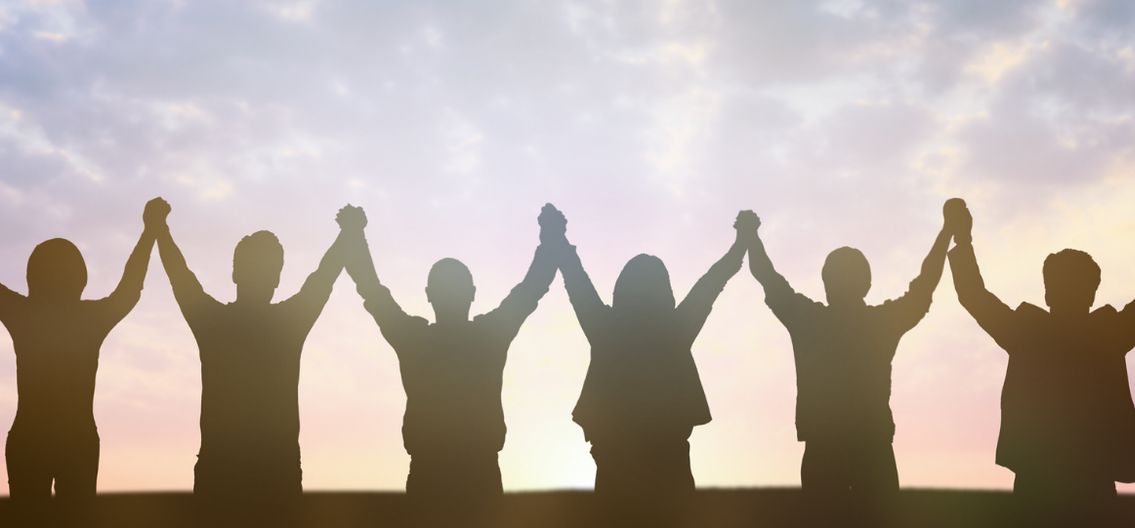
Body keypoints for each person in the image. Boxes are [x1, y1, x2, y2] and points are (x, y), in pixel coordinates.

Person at [951, 198, 1135, 513]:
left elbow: (972, 294)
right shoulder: (1109, 334)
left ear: (1048, 291)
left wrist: (963, 239)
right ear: (1091, 293)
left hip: (1038, 476)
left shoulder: (1025, 332)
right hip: (1091, 476)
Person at [344, 204, 559, 497]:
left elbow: (371, 288)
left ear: (429, 296)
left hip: (429, 477)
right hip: (478, 476)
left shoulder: (413, 339)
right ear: (472, 293)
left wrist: (355, 235)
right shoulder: (490, 336)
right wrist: (550, 237)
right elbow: (531, 289)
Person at [0, 195, 156, 509]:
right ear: (80, 279)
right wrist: (150, 232)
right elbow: (130, 289)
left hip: (31, 438)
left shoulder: (23, 314)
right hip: (76, 440)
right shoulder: (89, 319)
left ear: (32, 277)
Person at [159, 203, 357, 502]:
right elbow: (324, 276)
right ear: (276, 279)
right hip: (275, 472)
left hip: (222, 471)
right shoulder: (289, 323)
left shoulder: (211, 321)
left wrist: (159, 227)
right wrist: (348, 233)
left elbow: (179, 274)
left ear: (235, 273)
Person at [749, 206, 944, 493]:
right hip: (872, 449)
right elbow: (924, 287)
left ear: (826, 283)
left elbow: (766, 276)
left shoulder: (807, 320)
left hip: (823, 448)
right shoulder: (881, 324)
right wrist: (947, 233)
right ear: (867, 284)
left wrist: (750, 237)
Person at [554, 208, 746, 496]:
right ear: (664, 292)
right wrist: (741, 243)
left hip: (615, 464)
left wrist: (558, 238)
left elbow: (575, 278)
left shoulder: (606, 329)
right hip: (668, 462)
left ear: (622, 290)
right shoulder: (675, 330)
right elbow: (712, 283)